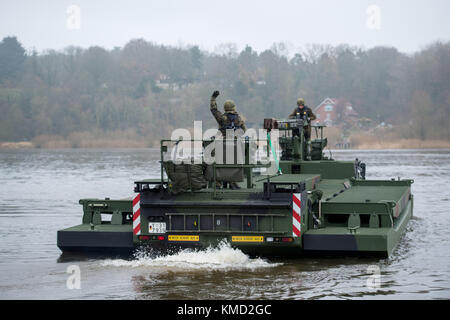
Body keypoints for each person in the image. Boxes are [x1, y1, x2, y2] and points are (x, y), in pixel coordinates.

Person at [209, 90, 246, 190]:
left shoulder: (222, 118)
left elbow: (214, 110)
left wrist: (213, 99)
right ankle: (233, 182)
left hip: (222, 144)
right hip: (235, 145)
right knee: (234, 163)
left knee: (219, 162)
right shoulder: (239, 119)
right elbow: (244, 130)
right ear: (234, 108)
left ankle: (217, 183)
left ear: (225, 108)